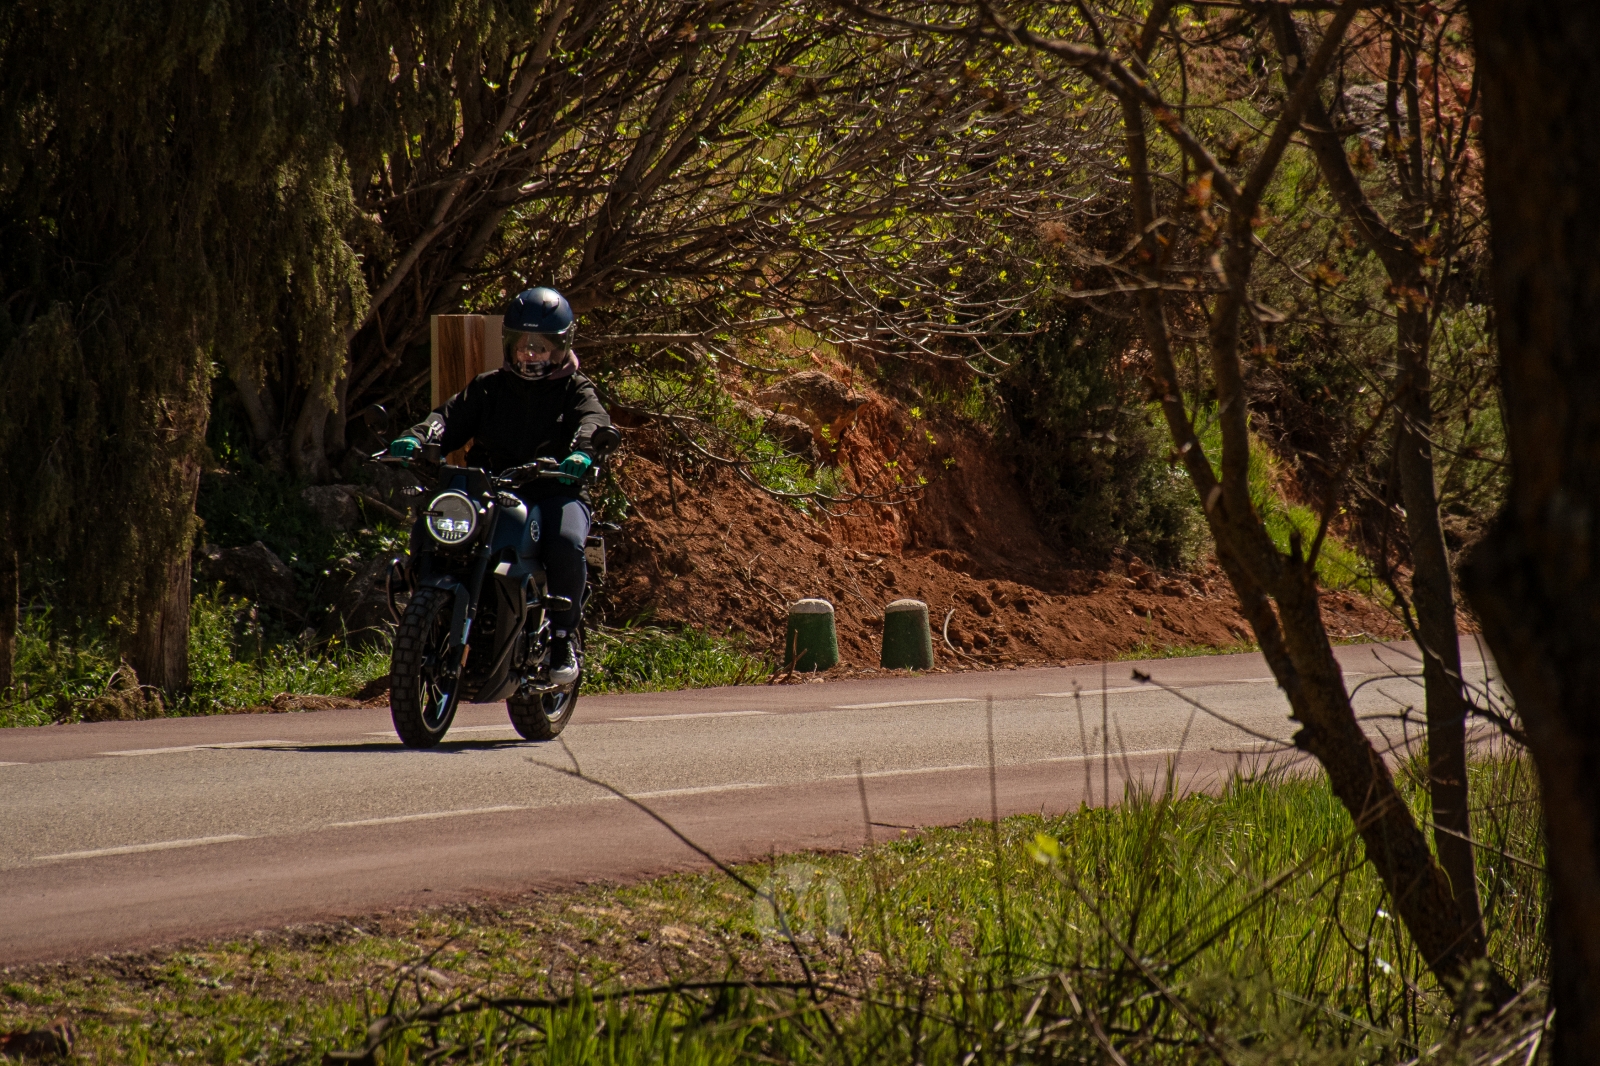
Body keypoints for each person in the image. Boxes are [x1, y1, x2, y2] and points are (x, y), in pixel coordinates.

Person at [388, 287, 612, 684]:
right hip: (488, 488)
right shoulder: (488, 386)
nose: (530, 354)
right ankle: (424, 604)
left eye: (541, 346)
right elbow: (448, 417)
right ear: (507, 343)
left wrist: (582, 454)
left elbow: (594, 421)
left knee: (564, 541)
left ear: (561, 347)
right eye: (522, 344)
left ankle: (561, 641)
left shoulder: (576, 389)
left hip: (554, 488)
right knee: (436, 520)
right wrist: (419, 436)